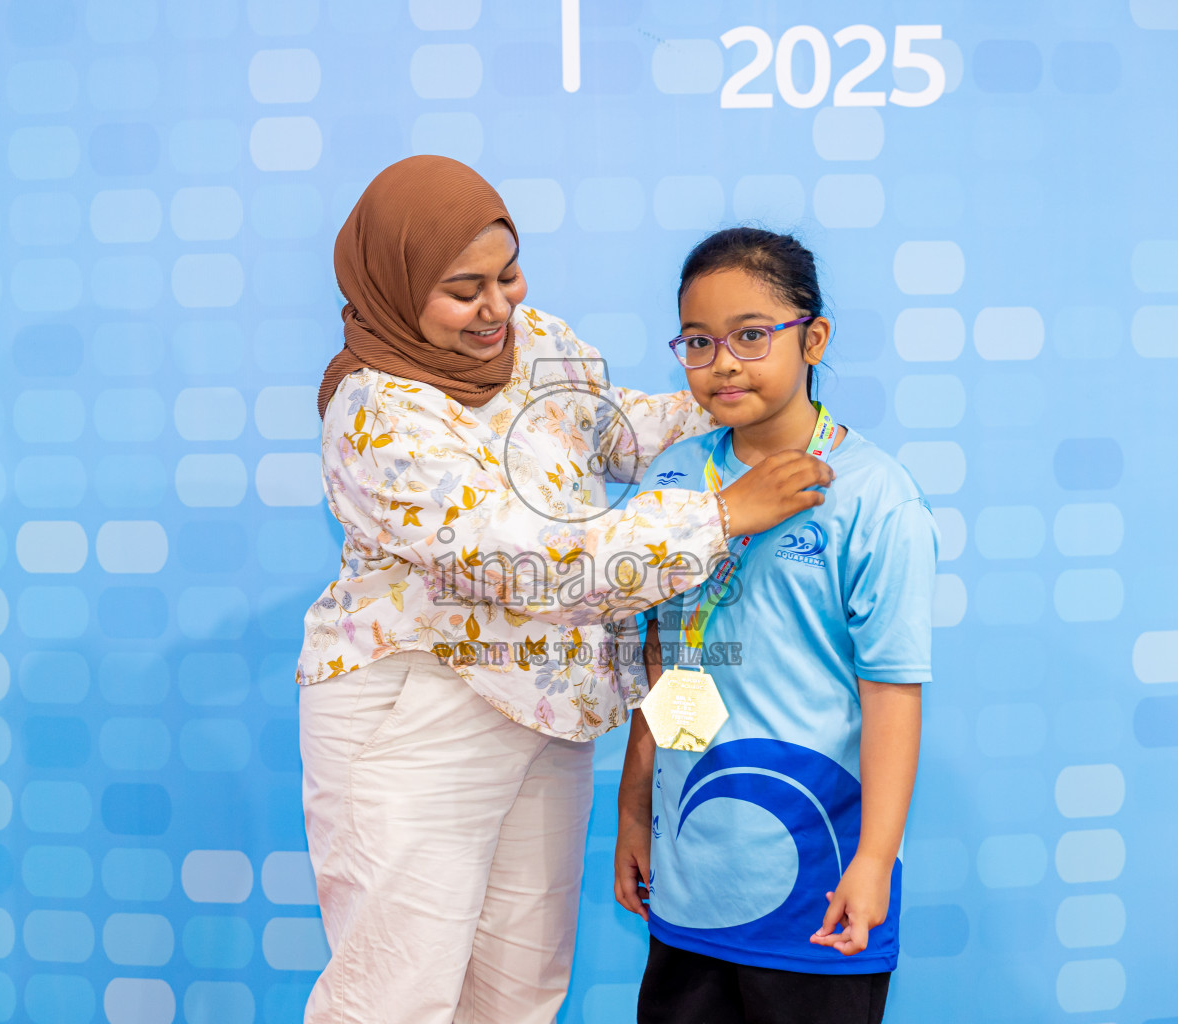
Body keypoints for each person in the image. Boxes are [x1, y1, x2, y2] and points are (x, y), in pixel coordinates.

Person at [297, 159, 836, 1024]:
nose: (497, 308)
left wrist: (728, 391)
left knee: (520, 996)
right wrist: (723, 513)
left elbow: (609, 433)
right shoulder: (375, 414)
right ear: (394, 286)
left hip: (548, 709)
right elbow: (530, 565)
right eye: (462, 289)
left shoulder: (531, 340)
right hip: (418, 718)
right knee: (393, 998)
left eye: (507, 275)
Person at [613, 227, 939, 1024]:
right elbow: (672, 658)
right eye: (699, 341)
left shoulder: (874, 498)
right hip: (691, 882)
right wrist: (633, 811)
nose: (723, 362)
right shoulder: (676, 479)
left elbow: (893, 696)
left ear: (814, 338)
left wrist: (874, 860)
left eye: (752, 335)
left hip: (820, 884)